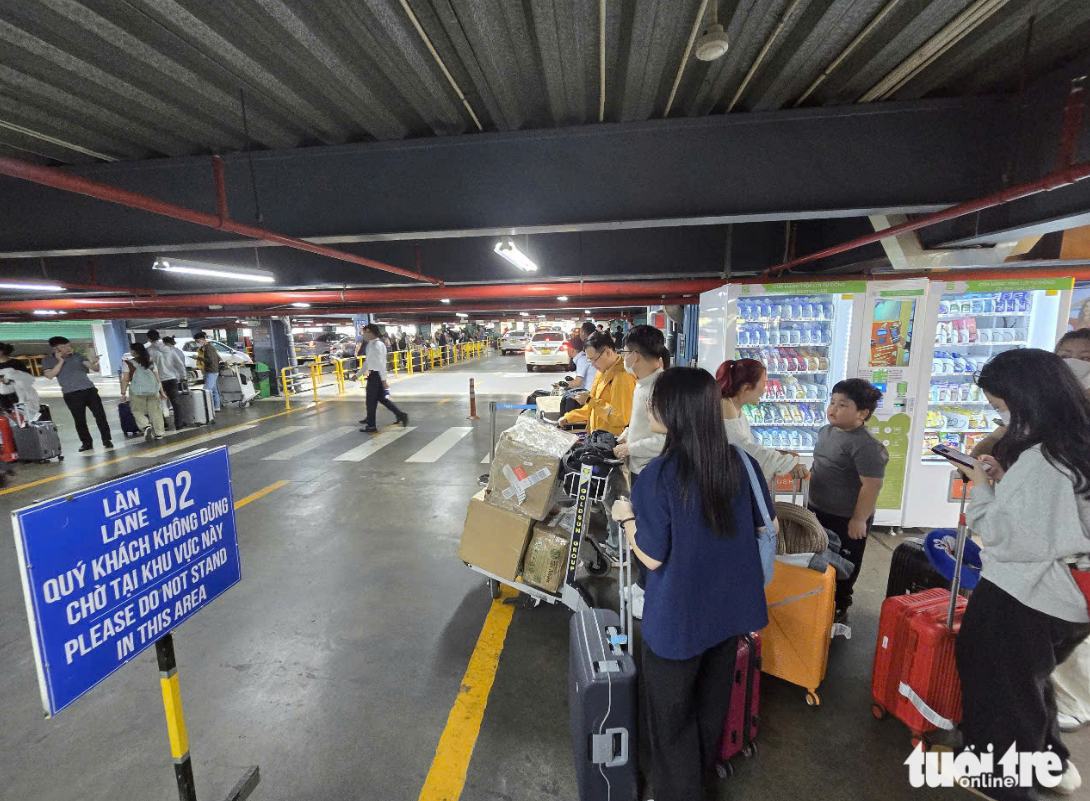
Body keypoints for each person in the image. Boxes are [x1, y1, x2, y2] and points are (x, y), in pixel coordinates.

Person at [610, 367, 770, 801]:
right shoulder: (740, 461)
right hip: (732, 610)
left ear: (673, 409)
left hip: (678, 617)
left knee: (670, 713)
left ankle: (680, 792)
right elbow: (764, 524)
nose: (648, 406)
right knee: (710, 703)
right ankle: (701, 778)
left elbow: (651, 554)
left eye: (654, 400)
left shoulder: (659, 475)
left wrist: (626, 519)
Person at [954, 348, 1090, 799]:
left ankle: (1001, 783)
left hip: (1026, 595)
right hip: (1070, 600)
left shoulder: (1046, 462)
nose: (1002, 420)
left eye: (1000, 408)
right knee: (1032, 681)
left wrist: (981, 487)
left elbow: (1003, 537)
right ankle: (1051, 761)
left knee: (1002, 691)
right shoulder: (1076, 442)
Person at [807, 378, 887, 623]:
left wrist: (859, 519)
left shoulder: (868, 447)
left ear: (862, 413)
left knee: (845, 562)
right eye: (832, 402)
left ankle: (840, 604)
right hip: (818, 509)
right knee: (818, 556)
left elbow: (871, 485)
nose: (832, 409)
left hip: (846, 517)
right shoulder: (826, 431)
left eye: (842, 405)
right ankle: (818, 597)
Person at [717, 358, 809, 484]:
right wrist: (785, 463)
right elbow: (743, 448)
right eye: (764, 384)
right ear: (746, 388)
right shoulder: (726, 405)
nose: (765, 390)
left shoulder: (736, 408)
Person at [613, 325, 669, 482]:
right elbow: (643, 421)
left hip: (651, 470)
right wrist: (628, 433)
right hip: (638, 466)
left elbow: (669, 439)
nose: (623, 358)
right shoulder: (642, 383)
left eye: (624, 353)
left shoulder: (660, 389)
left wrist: (631, 448)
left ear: (634, 355)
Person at [41, 336, 113, 453]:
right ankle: (86, 443)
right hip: (71, 394)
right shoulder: (48, 360)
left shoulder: (78, 356)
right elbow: (50, 375)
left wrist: (94, 362)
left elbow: (95, 369)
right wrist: (60, 361)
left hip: (89, 390)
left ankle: (107, 440)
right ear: (55, 348)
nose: (68, 348)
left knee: (100, 416)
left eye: (69, 345)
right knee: (80, 420)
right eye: (63, 347)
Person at [557, 331, 636, 436]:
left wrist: (590, 400)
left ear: (608, 352)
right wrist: (570, 417)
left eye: (594, 360)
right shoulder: (602, 372)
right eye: (590, 361)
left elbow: (620, 418)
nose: (593, 365)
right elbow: (594, 407)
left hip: (613, 442)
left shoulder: (622, 377)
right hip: (599, 438)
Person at [358, 324, 409, 433]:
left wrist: (384, 380)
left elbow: (381, 364)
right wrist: (358, 374)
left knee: (371, 401)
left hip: (376, 376)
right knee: (382, 399)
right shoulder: (374, 344)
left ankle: (371, 425)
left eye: (365, 332)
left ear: (371, 333)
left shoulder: (376, 345)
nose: (364, 334)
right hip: (375, 375)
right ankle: (400, 415)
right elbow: (369, 362)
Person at [121, 342, 168, 442]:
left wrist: (123, 393)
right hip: (153, 391)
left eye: (131, 350)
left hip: (137, 391)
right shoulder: (151, 362)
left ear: (134, 351)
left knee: (137, 411)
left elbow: (125, 379)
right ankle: (159, 433)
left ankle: (145, 426)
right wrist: (162, 392)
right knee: (155, 412)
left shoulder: (128, 363)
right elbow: (157, 378)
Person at [146, 330, 186, 429]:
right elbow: (179, 363)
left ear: (149, 339)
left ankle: (163, 424)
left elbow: (147, 366)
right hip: (171, 378)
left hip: (157, 379)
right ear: (159, 337)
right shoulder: (169, 349)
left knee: (158, 402)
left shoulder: (148, 351)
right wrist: (183, 376)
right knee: (175, 402)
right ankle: (179, 424)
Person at [193, 332, 221, 412]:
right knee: (214, 390)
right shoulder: (207, 348)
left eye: (198, 341)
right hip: (212, 370)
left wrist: (198, 358)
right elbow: (216, 359)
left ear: (202, 339)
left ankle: (206, 409)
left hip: (211, 371)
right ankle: (216, 406)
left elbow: (210, 360)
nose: (198, 343)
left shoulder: (208, 348)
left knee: (206, 391)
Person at [0, 342, 30, 413]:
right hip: (2, 395)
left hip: (17, 394)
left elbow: (26, 377)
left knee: (20, 414)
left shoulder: (15, 363)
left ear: (2, 351)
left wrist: (10, 380)